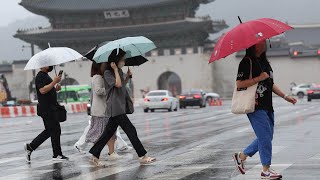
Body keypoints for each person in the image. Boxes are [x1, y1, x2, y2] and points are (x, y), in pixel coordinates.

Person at [232, 41, 297, 179]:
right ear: (253, 45)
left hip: (268, 105)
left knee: (267, 137)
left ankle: (241, 156)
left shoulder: (265, 63)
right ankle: (265, 171)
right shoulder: (246, 62)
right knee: (265, 137)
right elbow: (239, 83)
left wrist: (286, 96)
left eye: (263, 42)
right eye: (260, 42)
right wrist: (258, 78)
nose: (263, 44)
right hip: (254, 106)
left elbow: (271, 84)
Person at [89, 48, 156, 166]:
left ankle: (95, 154)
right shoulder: (107, 73)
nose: (124, 62)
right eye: (122, 59)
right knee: (131, 131)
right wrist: (115, 70)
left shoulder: (118, 71)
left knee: (107, 134)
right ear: (115, 61)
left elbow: (122, 85)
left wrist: (127, 77)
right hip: (115, 107)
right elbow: (117, 84)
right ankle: (142, 155)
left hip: (119, 106)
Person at [75, 62, 120, 160]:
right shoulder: (97, 77)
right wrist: (110, 89)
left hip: (104, 110)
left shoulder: (101, 77)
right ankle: (96, 154)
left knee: (110, 132)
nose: (106, 66)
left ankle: (111, 152)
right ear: (99, 66)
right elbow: (98, 91)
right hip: (100, 111)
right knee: (98, 134)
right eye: (104, 65)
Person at [24, 66, 69, 162]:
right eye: (48, 64)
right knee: (55, 130)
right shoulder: (40, 76)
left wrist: (55, 88)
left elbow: (48, 90)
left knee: (50, 130)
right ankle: (56, 154)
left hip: (50, 108)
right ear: (43, 65)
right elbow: (42, 90)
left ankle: (31, 146)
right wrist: (54, 82)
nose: (50, 66)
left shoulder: (45, 76)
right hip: (47, 109)